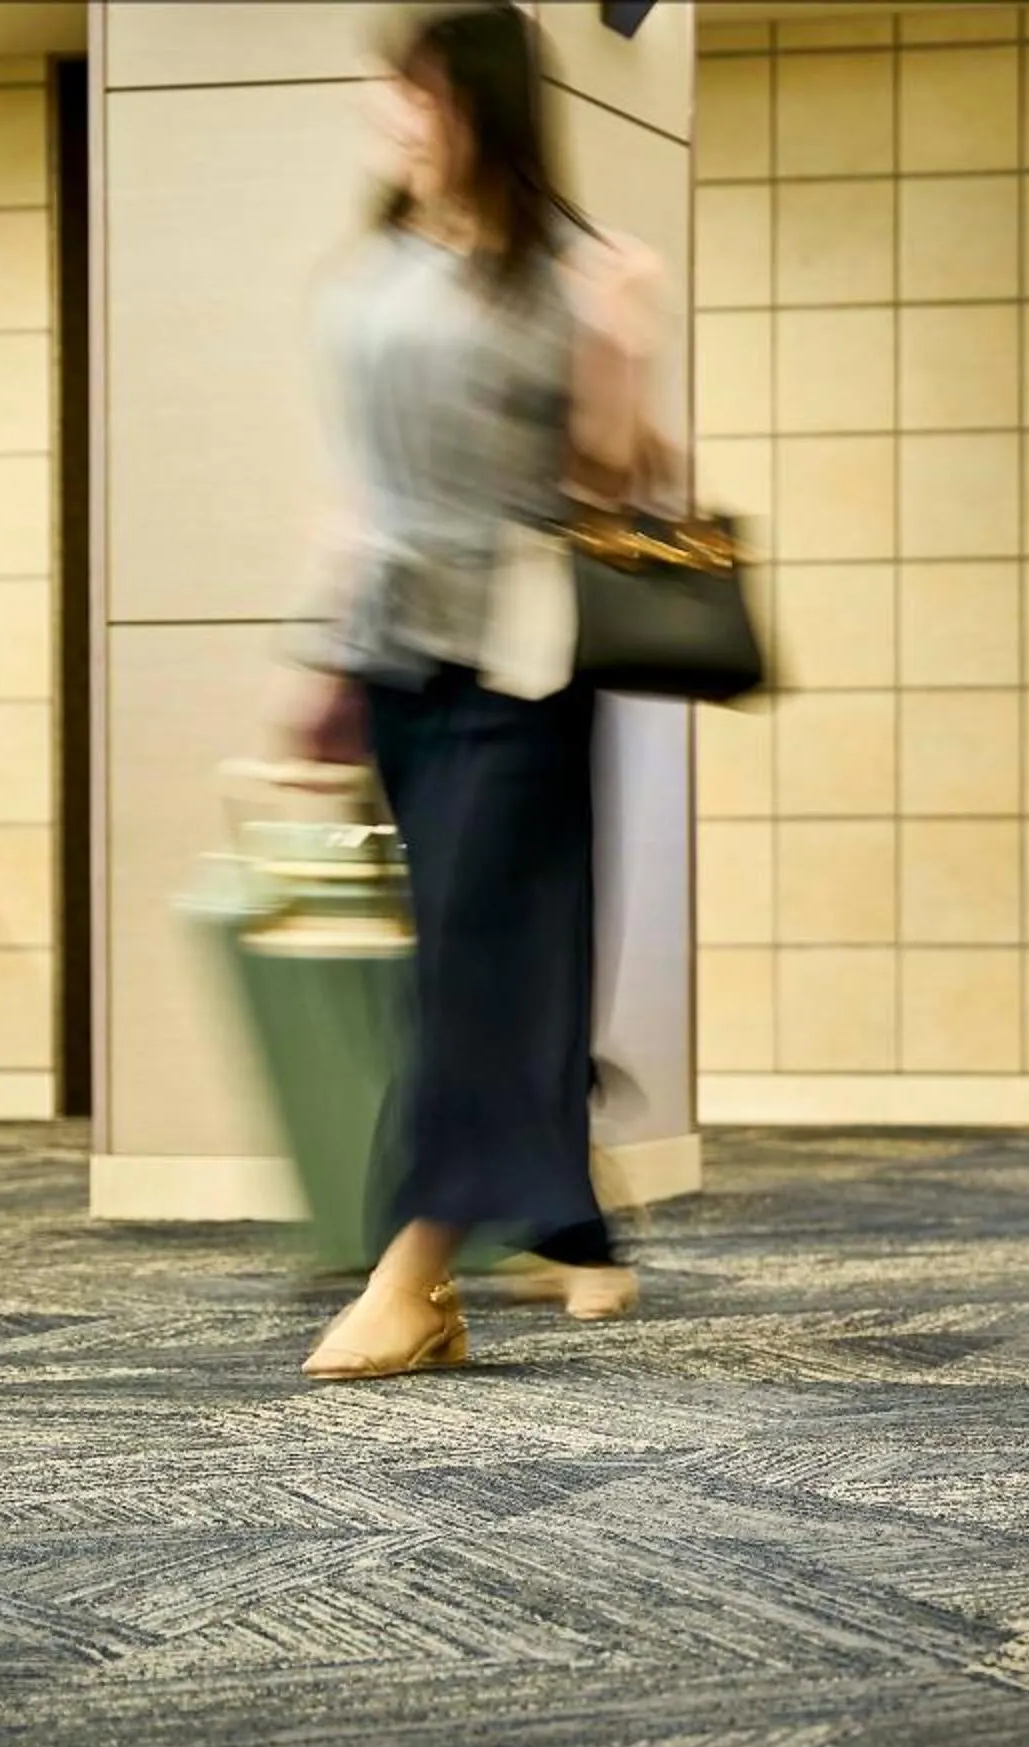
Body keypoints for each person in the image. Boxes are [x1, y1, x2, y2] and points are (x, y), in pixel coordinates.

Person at [290, 1, 664, 1379]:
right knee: (460, 957)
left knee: (482, 957)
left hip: (523, 658)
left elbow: (621, 485)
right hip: (400, 653)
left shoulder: (577, 274)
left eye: (419, 94)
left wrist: (622, 350)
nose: (393, 116)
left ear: (483, 109)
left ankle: (410, 1274)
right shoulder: (373, 272)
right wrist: (321, 655)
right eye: (391, 95)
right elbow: (354, 485)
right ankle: (549, 1209)